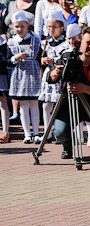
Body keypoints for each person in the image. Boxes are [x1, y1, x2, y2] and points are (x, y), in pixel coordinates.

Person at [47, 26, 90, 160]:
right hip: (69, 104)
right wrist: (53, 74)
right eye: (87, 42)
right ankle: (67, 147)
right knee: (59, 132)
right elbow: (51, 77)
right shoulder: (67, 58)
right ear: (80, 42)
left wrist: (83, 88)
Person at [8, 11, 42, 143]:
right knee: (23, 105)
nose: (19, 29)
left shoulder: (35, 40)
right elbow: (6, 59)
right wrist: (15, 58)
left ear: (27, 26)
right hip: (20, 75)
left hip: (32, 73)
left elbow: (39, 56)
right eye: (17, 26)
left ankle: (36, 133)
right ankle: (27, 133)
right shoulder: (12, 42)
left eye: (22, 26)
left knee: (34, 104)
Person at [37, 9, 67, 140]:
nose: (51, 29)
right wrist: (43, 60)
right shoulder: (46, 43)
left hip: (59, 77)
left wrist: (54, 61)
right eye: (49, 27)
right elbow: (41, 57)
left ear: (61, 27)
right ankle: (47, 132)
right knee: (46, 105)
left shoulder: (65, 44)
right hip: (48, 77)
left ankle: (60, 131)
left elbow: (65, 59)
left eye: (54, 27)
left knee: (59, 105)